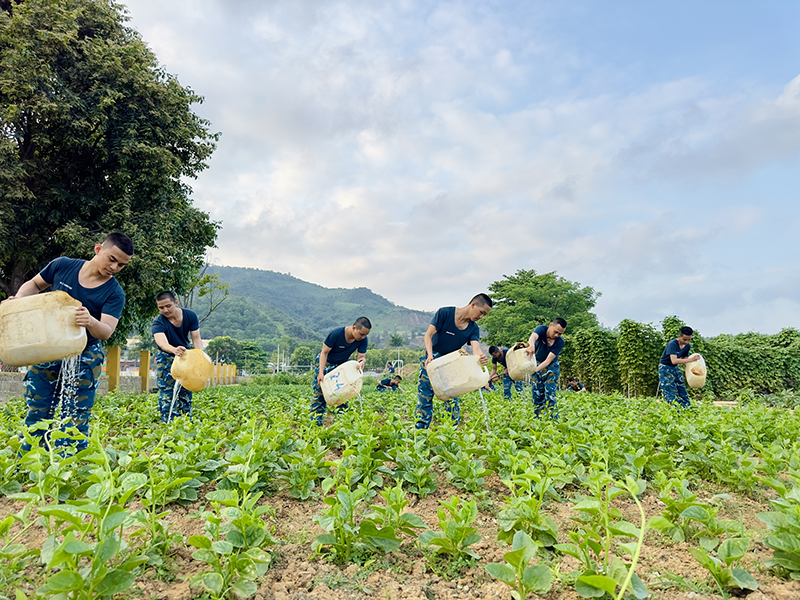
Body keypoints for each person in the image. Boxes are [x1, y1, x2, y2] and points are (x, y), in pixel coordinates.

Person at [4, 233, 134, 451]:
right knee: (38, 407)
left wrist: (90, 321)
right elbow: (34, 285)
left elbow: (106, 331)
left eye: (121, 265)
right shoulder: (63, 265)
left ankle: (69, 465)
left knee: (75, 413)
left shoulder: (114, 293)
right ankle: (31, 458)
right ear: (98, 249)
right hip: (47, 348)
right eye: (112, 259)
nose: (114, 267)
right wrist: (18, 300)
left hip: (84, 354)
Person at [415, 294, 492, 429]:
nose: (481, 317)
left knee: (452, 396)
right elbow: (428, 335)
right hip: (432, 357)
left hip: (451, 362)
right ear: (473, 304)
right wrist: (430, 355)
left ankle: (451, 431)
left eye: (484, 315)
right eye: (481, 313)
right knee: (425, 394)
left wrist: (481, 356)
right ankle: (420, 431)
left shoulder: (473, 328)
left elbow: (476, 348)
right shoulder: (445, 313)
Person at [151, 291, 203, 422]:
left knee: (186, 389)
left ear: (175, 303)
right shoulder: (158, 322)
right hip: (166, 357)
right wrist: (174, 350)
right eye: (161, 308)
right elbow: (161, 342)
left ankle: (186, 421)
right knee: (167, 390)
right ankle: (169, 421)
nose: (165, 310)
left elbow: (196, 338)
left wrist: (199, 356)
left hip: (185, 356)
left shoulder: (190, 316)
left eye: (168, 306)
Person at [310, 317, 371, 425]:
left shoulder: (362, 340)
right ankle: (314, 424)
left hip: (342, 365)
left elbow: (361, 356)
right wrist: (321, 372)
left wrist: (361, 362)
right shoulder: (336, 334)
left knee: (342, 393)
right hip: (326, 362)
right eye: (361, 334)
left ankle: (341, 424)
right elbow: (324, 353)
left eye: (366, 335)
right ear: (354, 328)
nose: (363, 337)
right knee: (320, 393)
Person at [525, 318, 567, 419]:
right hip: (536, 362)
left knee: (550, 394)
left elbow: (548, 361)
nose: (556, 335)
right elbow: (533, 337)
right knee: (537, 393)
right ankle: (538, 418)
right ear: (551, 325)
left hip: (551, 366)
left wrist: (533, 370)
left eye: (560, 334)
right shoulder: (541, 329)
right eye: (555, 332)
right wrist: (531, 345)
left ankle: (553, 419)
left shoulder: (560, 342)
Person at [659, 326, 700, 408]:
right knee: (670, 390)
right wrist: (691, 359)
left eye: (689, 339)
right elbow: (674, 360)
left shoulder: (687, 346)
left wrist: (694, 367)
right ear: (679, 336)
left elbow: (683, 359)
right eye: (685, 339)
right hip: (665, 368)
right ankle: (674, 410)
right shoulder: (672, 344)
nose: (687, 342)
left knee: (681, 388)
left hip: (675, 368)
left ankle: (686, 408)